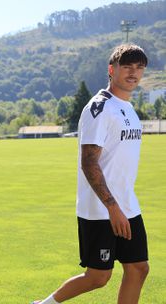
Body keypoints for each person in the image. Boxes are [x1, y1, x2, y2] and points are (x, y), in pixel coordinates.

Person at [34, 44, 149, 304]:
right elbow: (89, 163)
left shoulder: (128, 108)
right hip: (101, 209)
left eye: (139, 68)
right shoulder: (99, 108)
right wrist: (112, 207)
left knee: (138, 268)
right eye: (127, 67)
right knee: (98, 276)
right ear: (112, 70)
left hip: (127, 204)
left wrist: (121, 206)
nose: (134, 73)